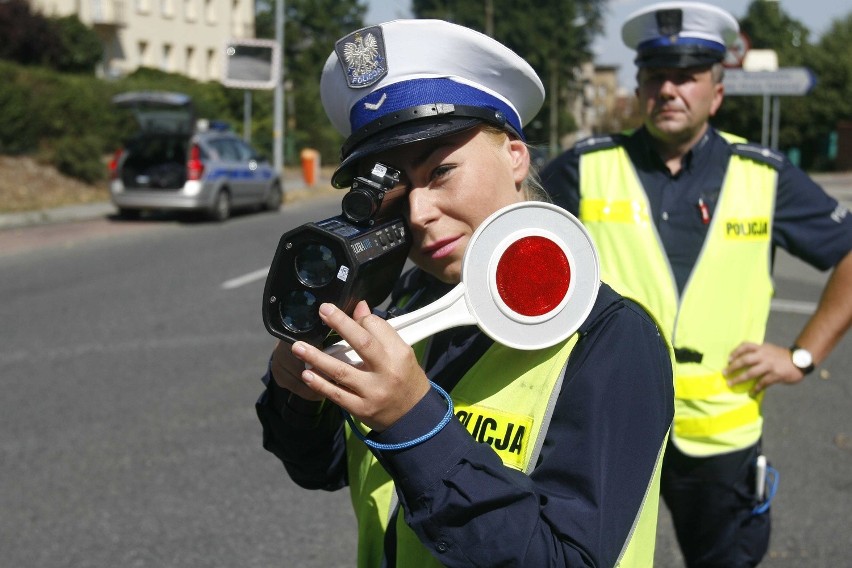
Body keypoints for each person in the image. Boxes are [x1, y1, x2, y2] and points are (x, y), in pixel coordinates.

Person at [256, 19, 674, 567]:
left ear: (515, 156)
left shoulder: (613, 341)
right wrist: (298, 401)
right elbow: (327, 468)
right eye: (397, 189)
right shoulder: (409, 302)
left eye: (441, 171)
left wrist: (415, 424)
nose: (419, 212)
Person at [540, 2, 852, 567]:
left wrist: (803, 356)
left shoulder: (764, 175)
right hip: (607, 421)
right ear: (639, 87)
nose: (670, 89)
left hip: (719, 435)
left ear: (717, 92)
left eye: (687, 76)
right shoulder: (585, 166)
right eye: (657, 75)